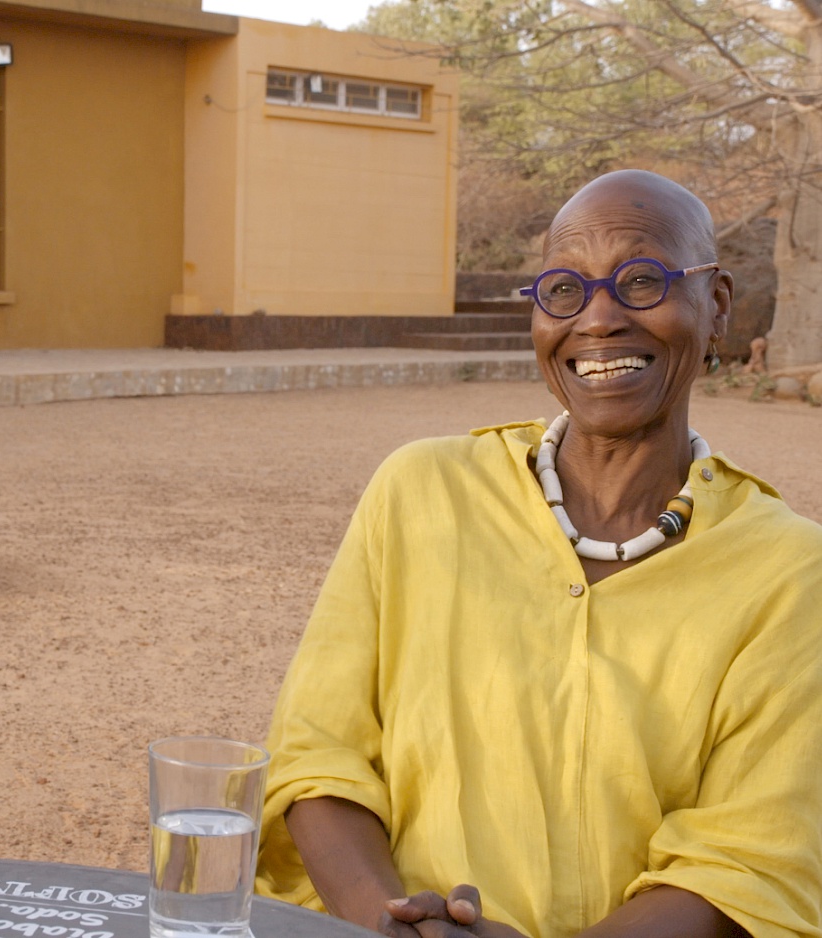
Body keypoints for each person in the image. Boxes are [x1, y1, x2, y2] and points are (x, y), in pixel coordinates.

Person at [256, 170, 822, 938]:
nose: (597, 320)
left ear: (716, 306)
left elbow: (749, 860)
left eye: (643, 279)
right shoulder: (421, 493)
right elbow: (317, 756)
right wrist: (386, 921)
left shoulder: (789, 572)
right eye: (564, 289)